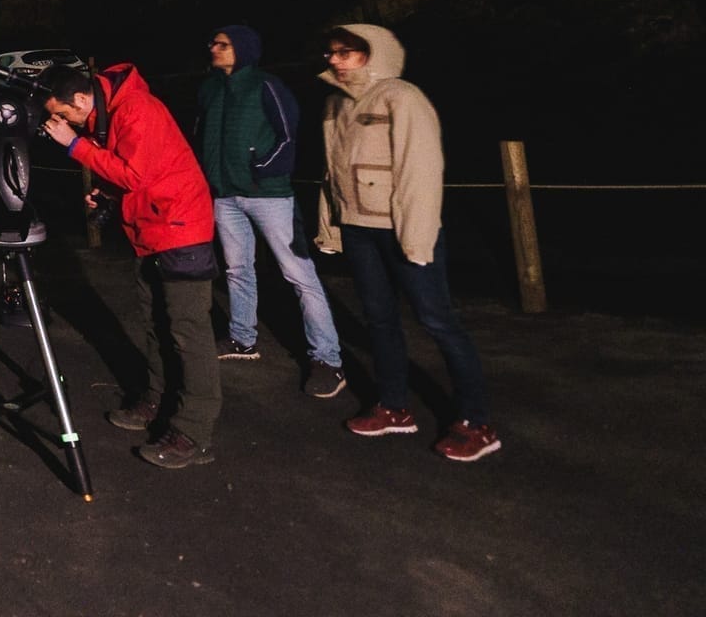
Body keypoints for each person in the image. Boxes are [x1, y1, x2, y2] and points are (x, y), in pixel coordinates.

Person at [313, 24, 500, 462]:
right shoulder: (334, 103)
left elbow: (421, 171)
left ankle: (478, 422)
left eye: (346, 53)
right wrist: (332, 226)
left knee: (438, 321)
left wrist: (416, 237)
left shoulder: (403, 97)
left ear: (374, 54)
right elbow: (331, 173)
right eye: (331, 53)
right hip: (359, 228)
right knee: (379, 320)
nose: (334, 60)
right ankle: (394, 406)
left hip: (404, 228)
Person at [40, 62, 221, 469]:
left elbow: (136, 173)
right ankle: (158, 401)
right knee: (157, 324)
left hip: (180, 228)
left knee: (187, 331)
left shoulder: (137, 109)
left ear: (83, 99)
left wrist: (75, 146)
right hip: (153, 227)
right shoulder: (112, 112)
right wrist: (105, 190)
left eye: (66, 114)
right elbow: (133, 167)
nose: (65, 123)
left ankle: (194, 431)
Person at [195, 24, 345, 398]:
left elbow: (289, 135)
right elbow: (200, 133)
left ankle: (328, 359)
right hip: (224, 196)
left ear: (242, 49)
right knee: (237, 269)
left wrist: (262, 169)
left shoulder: (266, 85)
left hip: (269, 196)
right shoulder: (210, 87)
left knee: (298, 274)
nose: (213, 47)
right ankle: (243, 340)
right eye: (213, 42)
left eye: (222, 44)